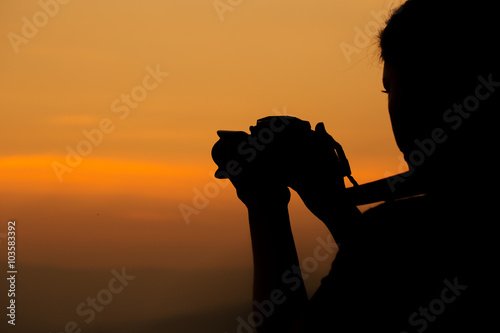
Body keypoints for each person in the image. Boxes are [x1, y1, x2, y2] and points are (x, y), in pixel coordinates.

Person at [214, 0, 498, 331]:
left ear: (426, 95)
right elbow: (384, 285)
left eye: (389, 88)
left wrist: (264, 203)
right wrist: (336, 208)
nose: (393, 109)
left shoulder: (404, 232)